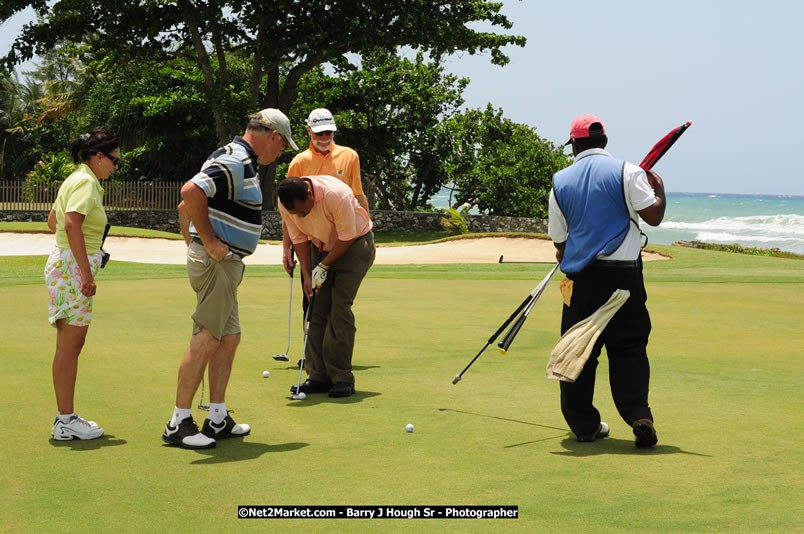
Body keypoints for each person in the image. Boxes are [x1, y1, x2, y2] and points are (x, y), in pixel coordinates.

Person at [162, 109, 297, 449]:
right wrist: (206, 242)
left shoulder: (240, 159)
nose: (280, 153)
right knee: (207, 337)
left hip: (224, 263)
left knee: (229, 337)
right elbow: (190, 192)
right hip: (218, 263)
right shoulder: (237, 160)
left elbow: (185, 208)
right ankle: (178, 422)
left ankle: (217, 417)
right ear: (273, 136)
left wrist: (197, 243)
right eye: (282, 146)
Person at [548, 114, 666, 448]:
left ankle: (585, 426)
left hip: (582, 279)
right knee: (629, 348)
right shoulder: (629, 172)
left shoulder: (560, 181)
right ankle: (639, 416)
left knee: (578, 351)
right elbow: (653, 216)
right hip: (625, 276)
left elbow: (559, 240)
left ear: (575, 145)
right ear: (605, 141)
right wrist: (659, 188)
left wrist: (566, 253)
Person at [46, 128, 120, 440]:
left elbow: (53, 220)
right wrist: (86, 274)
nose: (116, 166)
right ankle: (65, 420)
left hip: (65, 265)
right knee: (71, 346)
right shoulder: (86, 182)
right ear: (98, 156)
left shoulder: (75, 177)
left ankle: (65, 417)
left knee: (68, 345)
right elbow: (69, 223)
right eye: (115, 160)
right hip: (73, 270)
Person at [277, 175, 374, 398]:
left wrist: (322, 266)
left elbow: (347, 237)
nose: (300, 216)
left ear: (309, 194)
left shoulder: (336, 195)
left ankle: (341, 378)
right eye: (296, 213)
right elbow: (299, 238)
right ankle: (318, 376)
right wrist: (307, 275)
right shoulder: (286, 203)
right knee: (315, 308)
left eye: (303, 211)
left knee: (339, 310)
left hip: (355, 245)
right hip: (319, 246)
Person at [282, 108, 368, 325]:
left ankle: (330, 345)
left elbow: (358, 195)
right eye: (319, 133)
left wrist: (367, 232)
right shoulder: (299, 162)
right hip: (313, 241)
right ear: (308, 131)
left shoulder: (349, 156)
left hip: (344, 239)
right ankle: (310, 346)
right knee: (312, 299)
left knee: (337, 302)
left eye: (328, 132)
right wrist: (286, 248)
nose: (324, 137)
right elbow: (290, 209)